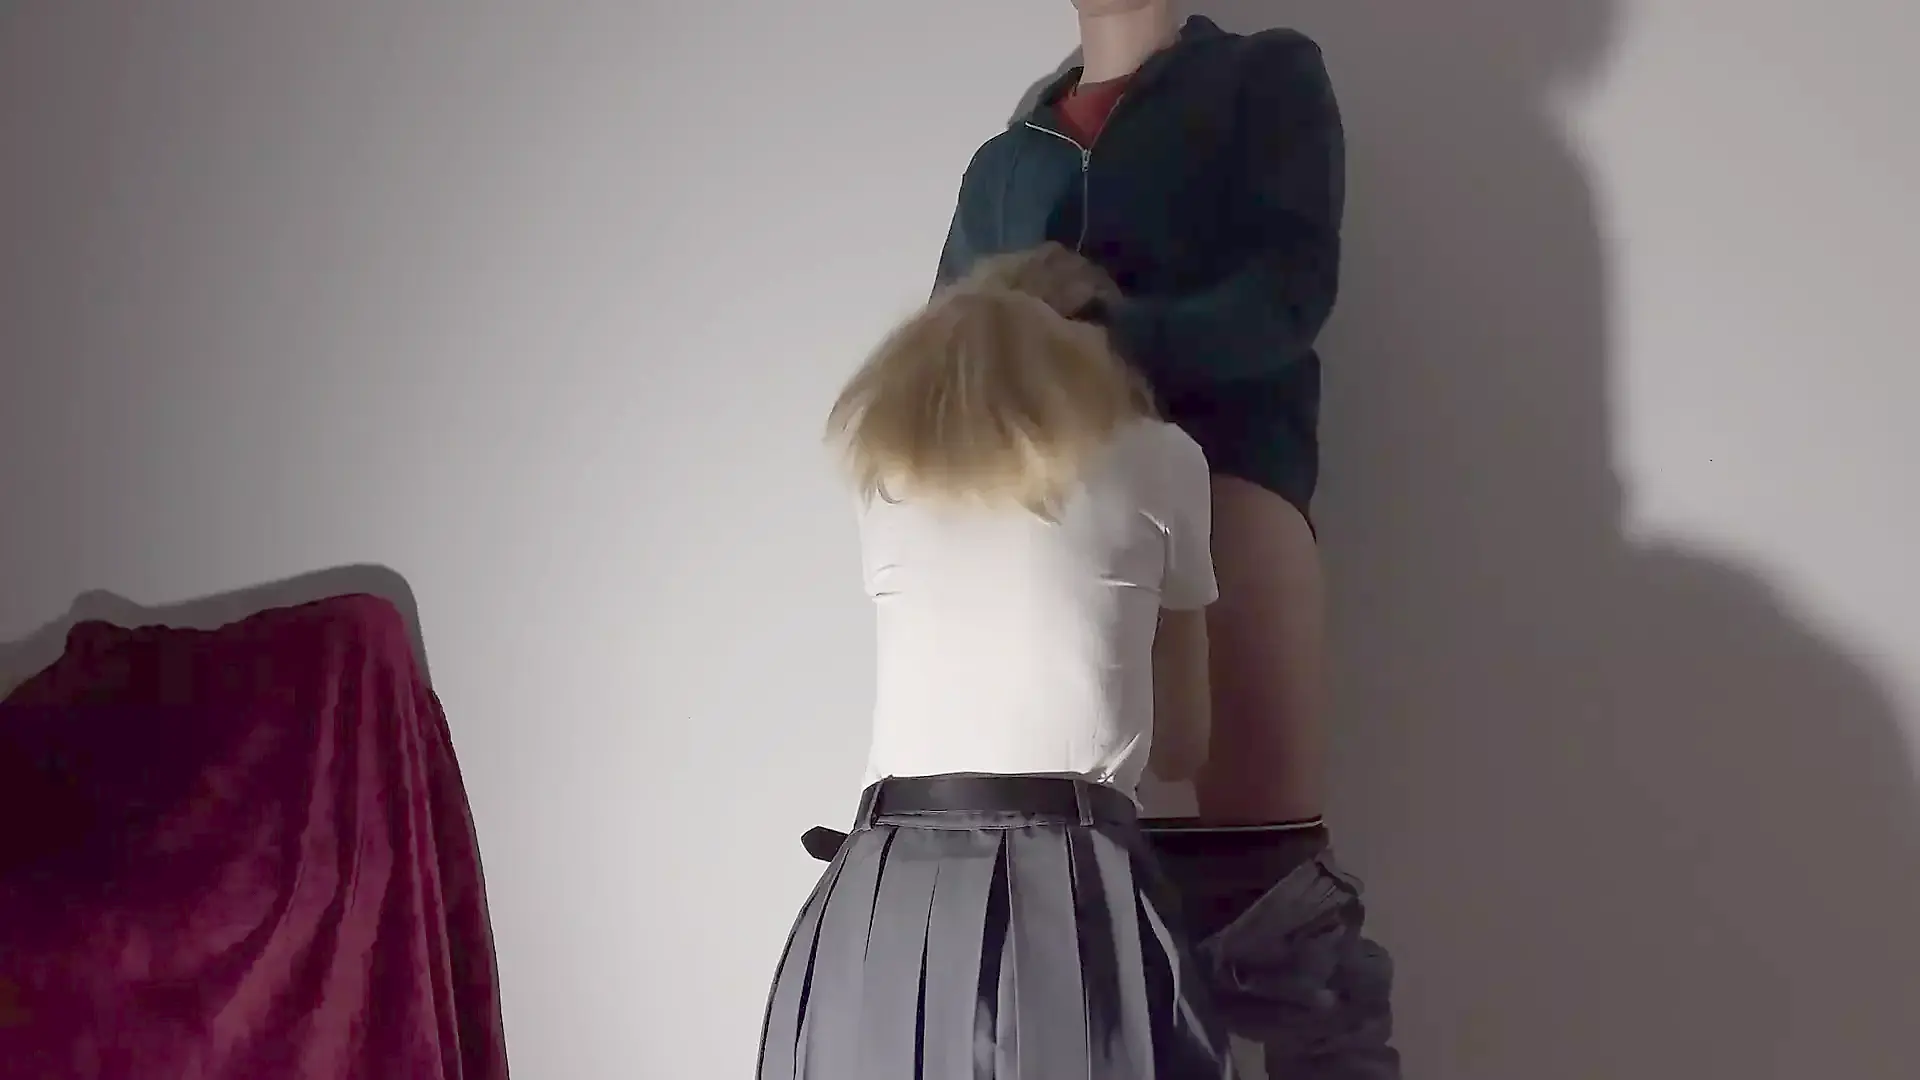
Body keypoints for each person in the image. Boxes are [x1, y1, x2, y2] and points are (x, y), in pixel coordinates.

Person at [925, 3, 1401, 1075]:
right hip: (1038, 542)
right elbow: (945, 363)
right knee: (1052, 916)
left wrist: (1086, 346)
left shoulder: (1263, 79)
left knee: (1271, 907)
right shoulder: (1007, 157)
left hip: (1227, 499)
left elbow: (1286, 297)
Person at [759, 253, 1239, 1080]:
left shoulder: (888, 474)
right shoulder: (1163, 458)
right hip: (1069, 890)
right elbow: (1183, 748)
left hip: (880, 893)